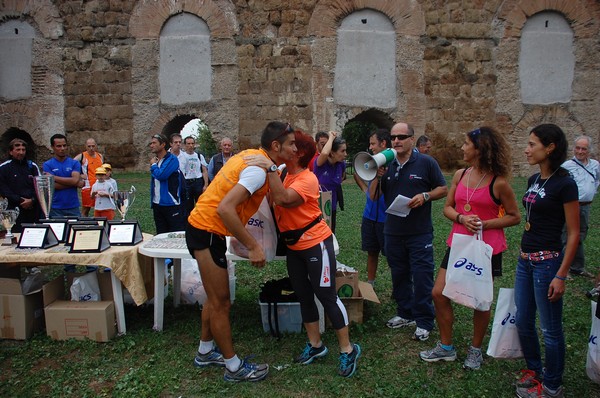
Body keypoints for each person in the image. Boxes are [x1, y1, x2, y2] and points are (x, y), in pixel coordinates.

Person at [186, 121, 296, 382]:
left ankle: (204, 351)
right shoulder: (257, 171)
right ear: (276, 146)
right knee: (221, 303)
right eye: (291, 143)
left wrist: (271, 169)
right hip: (206, 229)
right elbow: (226, 209)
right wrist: (254, 246)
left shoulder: (254, 157)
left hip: (204, 228)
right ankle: (233, 367)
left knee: (215, 299)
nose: (294, 148)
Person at [245, 130, 361, 378]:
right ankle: (316, 345)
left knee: (327, 297)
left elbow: (283, 198)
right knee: (304, 296)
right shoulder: (285, 172)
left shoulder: (307, 179)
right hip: (293, 247)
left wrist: (269, 169)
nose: (284, 148)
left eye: (290, 145)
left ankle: (347, 349)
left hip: (315, 244)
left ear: (298, 153)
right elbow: (269, 196)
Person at [419, 127, 521, 370]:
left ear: (480, 149)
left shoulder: (500, 182)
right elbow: (448, 208)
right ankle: (446, 347)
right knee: (438, 293)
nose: (462, 148)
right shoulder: (460, 175)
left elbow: (515, 216)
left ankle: (475, 350)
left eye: (466, 144)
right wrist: (461, 219)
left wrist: (485, 224)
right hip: (458, 243)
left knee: (480, 301)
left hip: (486, 248)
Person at [514, 124, 579, 398]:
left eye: (532, 144)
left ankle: (552, 386)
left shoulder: (565, 183)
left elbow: (574, 232)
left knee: (550, 329)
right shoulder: (533, 180)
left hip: (548, 263)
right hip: (524, 260)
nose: (527, 149)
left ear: (550, 147)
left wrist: (561, 274)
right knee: (523, 320)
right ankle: (534, 370)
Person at [369, 122, 447, 341]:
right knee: (399, 274)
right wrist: (377, 176)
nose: (397, 141)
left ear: (412, 139)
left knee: (422, 276)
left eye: (402, 137)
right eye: (394, 137)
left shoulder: (426, 162)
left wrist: (425, 196)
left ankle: (424, 320)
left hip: (419, 232)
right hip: (392, 231)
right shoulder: (387, 164)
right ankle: (405, 312)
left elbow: (443, 188)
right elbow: (373, 196)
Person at [353, 128, 390, 285]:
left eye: (373, 144)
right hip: (369, 216)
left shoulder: (394, 163)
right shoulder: (372, 161)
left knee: (392, 255)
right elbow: (357, 172)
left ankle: (399, 287)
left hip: (386, 218)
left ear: (383, 143)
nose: (371, 148)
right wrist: (365, 188)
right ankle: (370, 282)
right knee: (371, 251)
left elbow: (379, 195)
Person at [561, 135, 599, 278]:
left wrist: (590, 193)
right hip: (570, 206)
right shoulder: (566, 166)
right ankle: (564, 269)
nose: (580, 151)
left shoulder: (595, 165)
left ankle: (577, 267)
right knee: (566, 235)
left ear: (589, 150)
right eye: (577, 148)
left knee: (580, 235)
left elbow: (596, 180)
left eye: (584, 148)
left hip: (585, 206)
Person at [0, 138, 41, 231]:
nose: (21, 152)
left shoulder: (32, 166)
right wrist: (21, 200)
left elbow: (39, 186)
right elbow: (4, 189)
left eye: (23, 150)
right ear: (11, 152)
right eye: (18, 150)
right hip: (15, 210)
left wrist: (32, 200)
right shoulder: (4, 168)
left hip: (33, 209)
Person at [149, 133, 185, 234]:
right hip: (157, 204)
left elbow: (161, 176)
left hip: (171, 204)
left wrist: (153, 165)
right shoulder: (156, 161)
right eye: (151, 143)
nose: (151, 145)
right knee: (160, 235)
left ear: (163, 144)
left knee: (175, 235)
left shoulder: (172, 159)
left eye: (154, 143)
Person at [313, 131, 347, 233]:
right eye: (342, 151)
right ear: (332, 153)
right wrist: (331, 137)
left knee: (330, 234)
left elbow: (341, 178)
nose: (346, 154)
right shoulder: (320, 163)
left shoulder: (341, 164)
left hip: (331, 207)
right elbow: (324, 153)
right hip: (317, 208)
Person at [43, 134, 84, 218]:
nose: (62, 149)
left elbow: (74, 180)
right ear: (52, 147)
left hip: (73, 206)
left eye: (64, 145)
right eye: (58, 146)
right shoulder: (47, 165)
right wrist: (73, 184)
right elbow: (52, 185)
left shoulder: (74, 163)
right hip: (55, 207)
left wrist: (53, 177)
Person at [74, 138, 104, 217]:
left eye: (93, 146)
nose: (91, 148)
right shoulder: (82, 156)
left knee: (101, 207)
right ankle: (84, 225)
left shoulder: (100, 156)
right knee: (86, 209)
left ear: (96, 146)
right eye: (89, 146)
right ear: (85, 146)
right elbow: (71, 165)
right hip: (88, 186)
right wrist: (79, 175)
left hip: (100, 185)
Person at [180, 136, 209, 214]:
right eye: (188, 144)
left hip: (198, 182)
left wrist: (205, 185)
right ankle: (189, 223)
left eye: (192, 143)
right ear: (184, 145)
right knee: (188, 206)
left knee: (200, 204)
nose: (191, 146)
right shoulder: (182, 156)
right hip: (187, 182)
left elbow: (204, 170)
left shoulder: (199, 156)